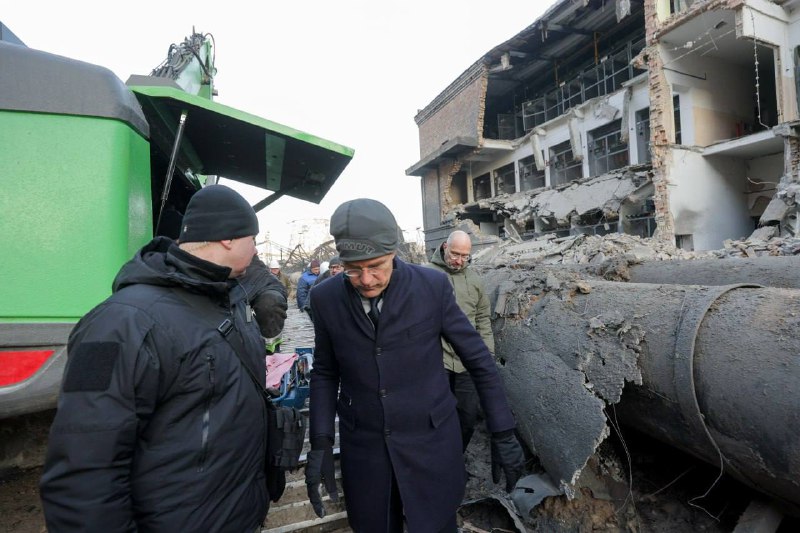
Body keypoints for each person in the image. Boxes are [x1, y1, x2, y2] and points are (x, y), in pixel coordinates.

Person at [39, 184, 272, 532]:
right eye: (253, 239)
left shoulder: (231, 298)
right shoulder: (118, 324)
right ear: (228, 238)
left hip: (235, 515)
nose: (255, 251)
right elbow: (83, 470)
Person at [305, 198, 525, 533]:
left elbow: (478, 358)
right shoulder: (324, 299)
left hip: (430, 441)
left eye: (376, 265)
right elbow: (324, 371)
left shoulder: (431, 288)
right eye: (353, 269)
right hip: (364, 446)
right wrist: (320, 440)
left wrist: (503, 430)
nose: (366, 279)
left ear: (394, 252)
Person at [428, 230, 493, 452]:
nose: (459, 260)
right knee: (435, 416)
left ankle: (456, 458)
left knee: (467, 418)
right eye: (455, 254)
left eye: (465, 256)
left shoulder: (474, 280)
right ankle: (438, 461)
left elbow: (483, 318)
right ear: (445, 247)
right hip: (437, 361)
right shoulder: (427, 275)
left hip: (467, 361)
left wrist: (487, 355)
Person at [240, 255, 289, 353]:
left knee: (270, 303)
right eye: (273, 269)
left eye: (276, 269)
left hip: (255, 307)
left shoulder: (263, 274)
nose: (275, 270)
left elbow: (285, 287)